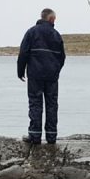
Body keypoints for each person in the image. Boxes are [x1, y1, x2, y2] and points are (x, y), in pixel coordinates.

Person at [17, 8, 66, 144]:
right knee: (52, 104)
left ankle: (34, 136)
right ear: (51, 19)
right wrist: (56, 70)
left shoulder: (31, 32)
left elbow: (23, 53)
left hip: (35, 74)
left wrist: (20, 71)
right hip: (52, 76)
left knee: (35, 103)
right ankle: (51, 136)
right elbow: (62, 57)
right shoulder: (56, 34)